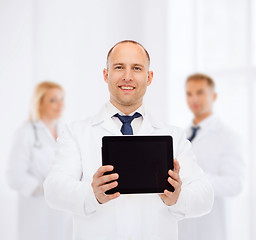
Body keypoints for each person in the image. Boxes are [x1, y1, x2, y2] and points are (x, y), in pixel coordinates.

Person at [44, 40, 214, 240]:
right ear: (106, 75)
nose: (127, 76)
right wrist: (92, 195)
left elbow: (206, 196)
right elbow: (53, 189)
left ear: (149, 77)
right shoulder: (77, 133)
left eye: (136, 68)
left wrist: (178, 198)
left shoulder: (173, 136)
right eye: (118, 67)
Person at [178, 73, 244, 240]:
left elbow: (234, 184)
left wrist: (196, 180)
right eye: (189, 93)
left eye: (200, 92)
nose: (194, 99)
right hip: (182, 224)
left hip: (211, 227)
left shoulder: (228, 136)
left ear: (213, 96)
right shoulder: (181, 135)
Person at [7, 81, 72, 240]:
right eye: (53, 100)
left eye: (62, 99)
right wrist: (42, 188)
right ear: (39, 103)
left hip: (63, 207)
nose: (60, 104)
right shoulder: (26, 132)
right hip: (36, 209)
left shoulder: (65, 131)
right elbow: (14, 176)